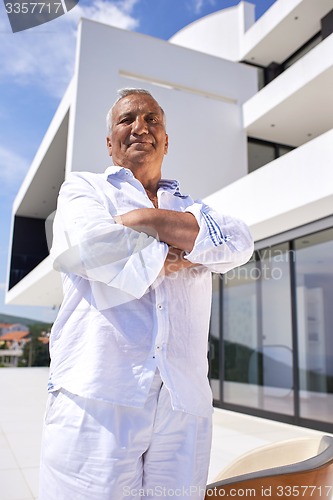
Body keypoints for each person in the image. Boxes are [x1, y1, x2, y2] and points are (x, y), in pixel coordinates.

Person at [39, 88, 254, 500]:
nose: (141, 127)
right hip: (97, 395)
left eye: (152, 119)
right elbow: (92, 249)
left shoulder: (196, 206)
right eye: (127, 120)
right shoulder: (83, 190)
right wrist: (189, 246)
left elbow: (239, 242)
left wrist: (141, 219)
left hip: (182, 402)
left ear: (166, 140)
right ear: (109, 143)